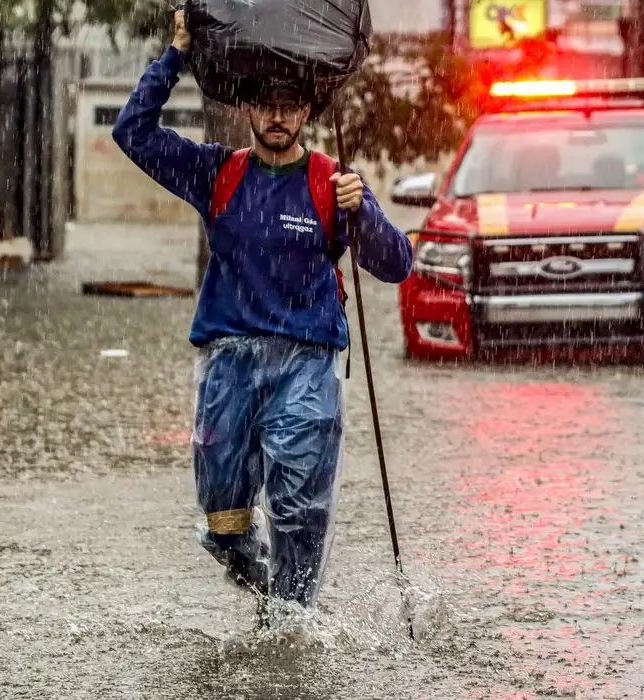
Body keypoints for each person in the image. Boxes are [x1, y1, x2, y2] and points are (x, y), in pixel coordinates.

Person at [111, 11, 413, 616]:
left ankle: (291, 626)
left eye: (291, 105)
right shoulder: (216, 172)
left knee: (299, 512)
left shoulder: (334, 183)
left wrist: (367, 215)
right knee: (223, 524)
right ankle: (268, 594)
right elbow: (133, 132)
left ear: (306, 113)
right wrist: (175, 54)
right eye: (267, 105)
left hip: (306, 365)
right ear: (247, 109)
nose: (279, 116)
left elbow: (396, 265)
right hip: (227, 366)